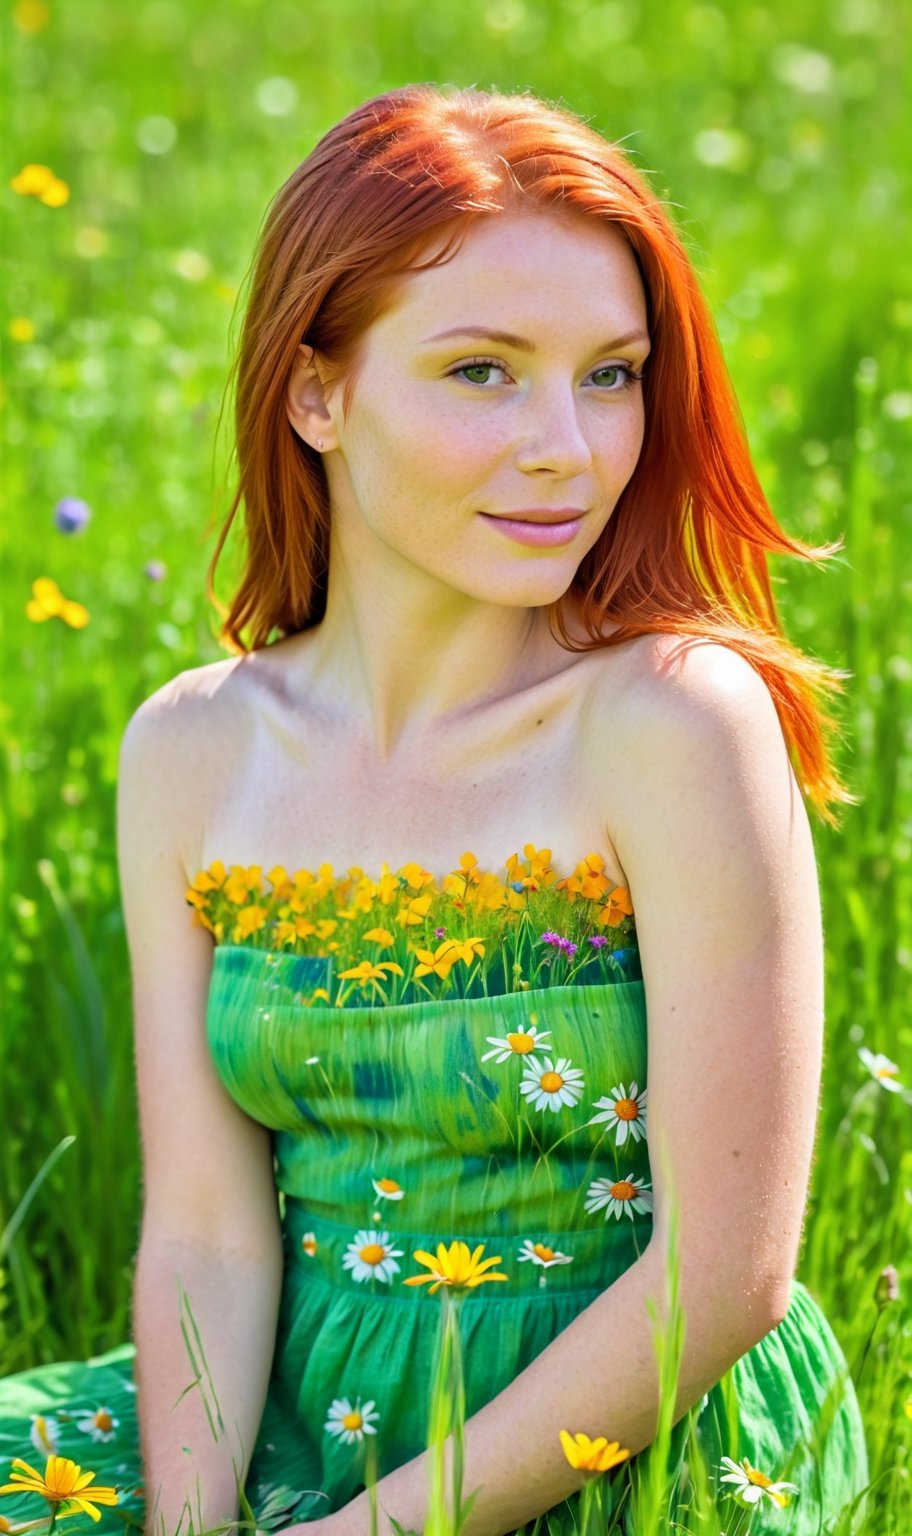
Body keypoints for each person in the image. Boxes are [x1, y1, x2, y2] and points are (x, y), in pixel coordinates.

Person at [0, 84, 868, 1536]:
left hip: (618, 1436)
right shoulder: (195, 750)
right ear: (315, 390)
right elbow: (207, 1232)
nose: (569, 447)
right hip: (301, 1397)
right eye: (482, 372)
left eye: (612, 374)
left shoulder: (672, 723)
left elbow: (722, 1277)